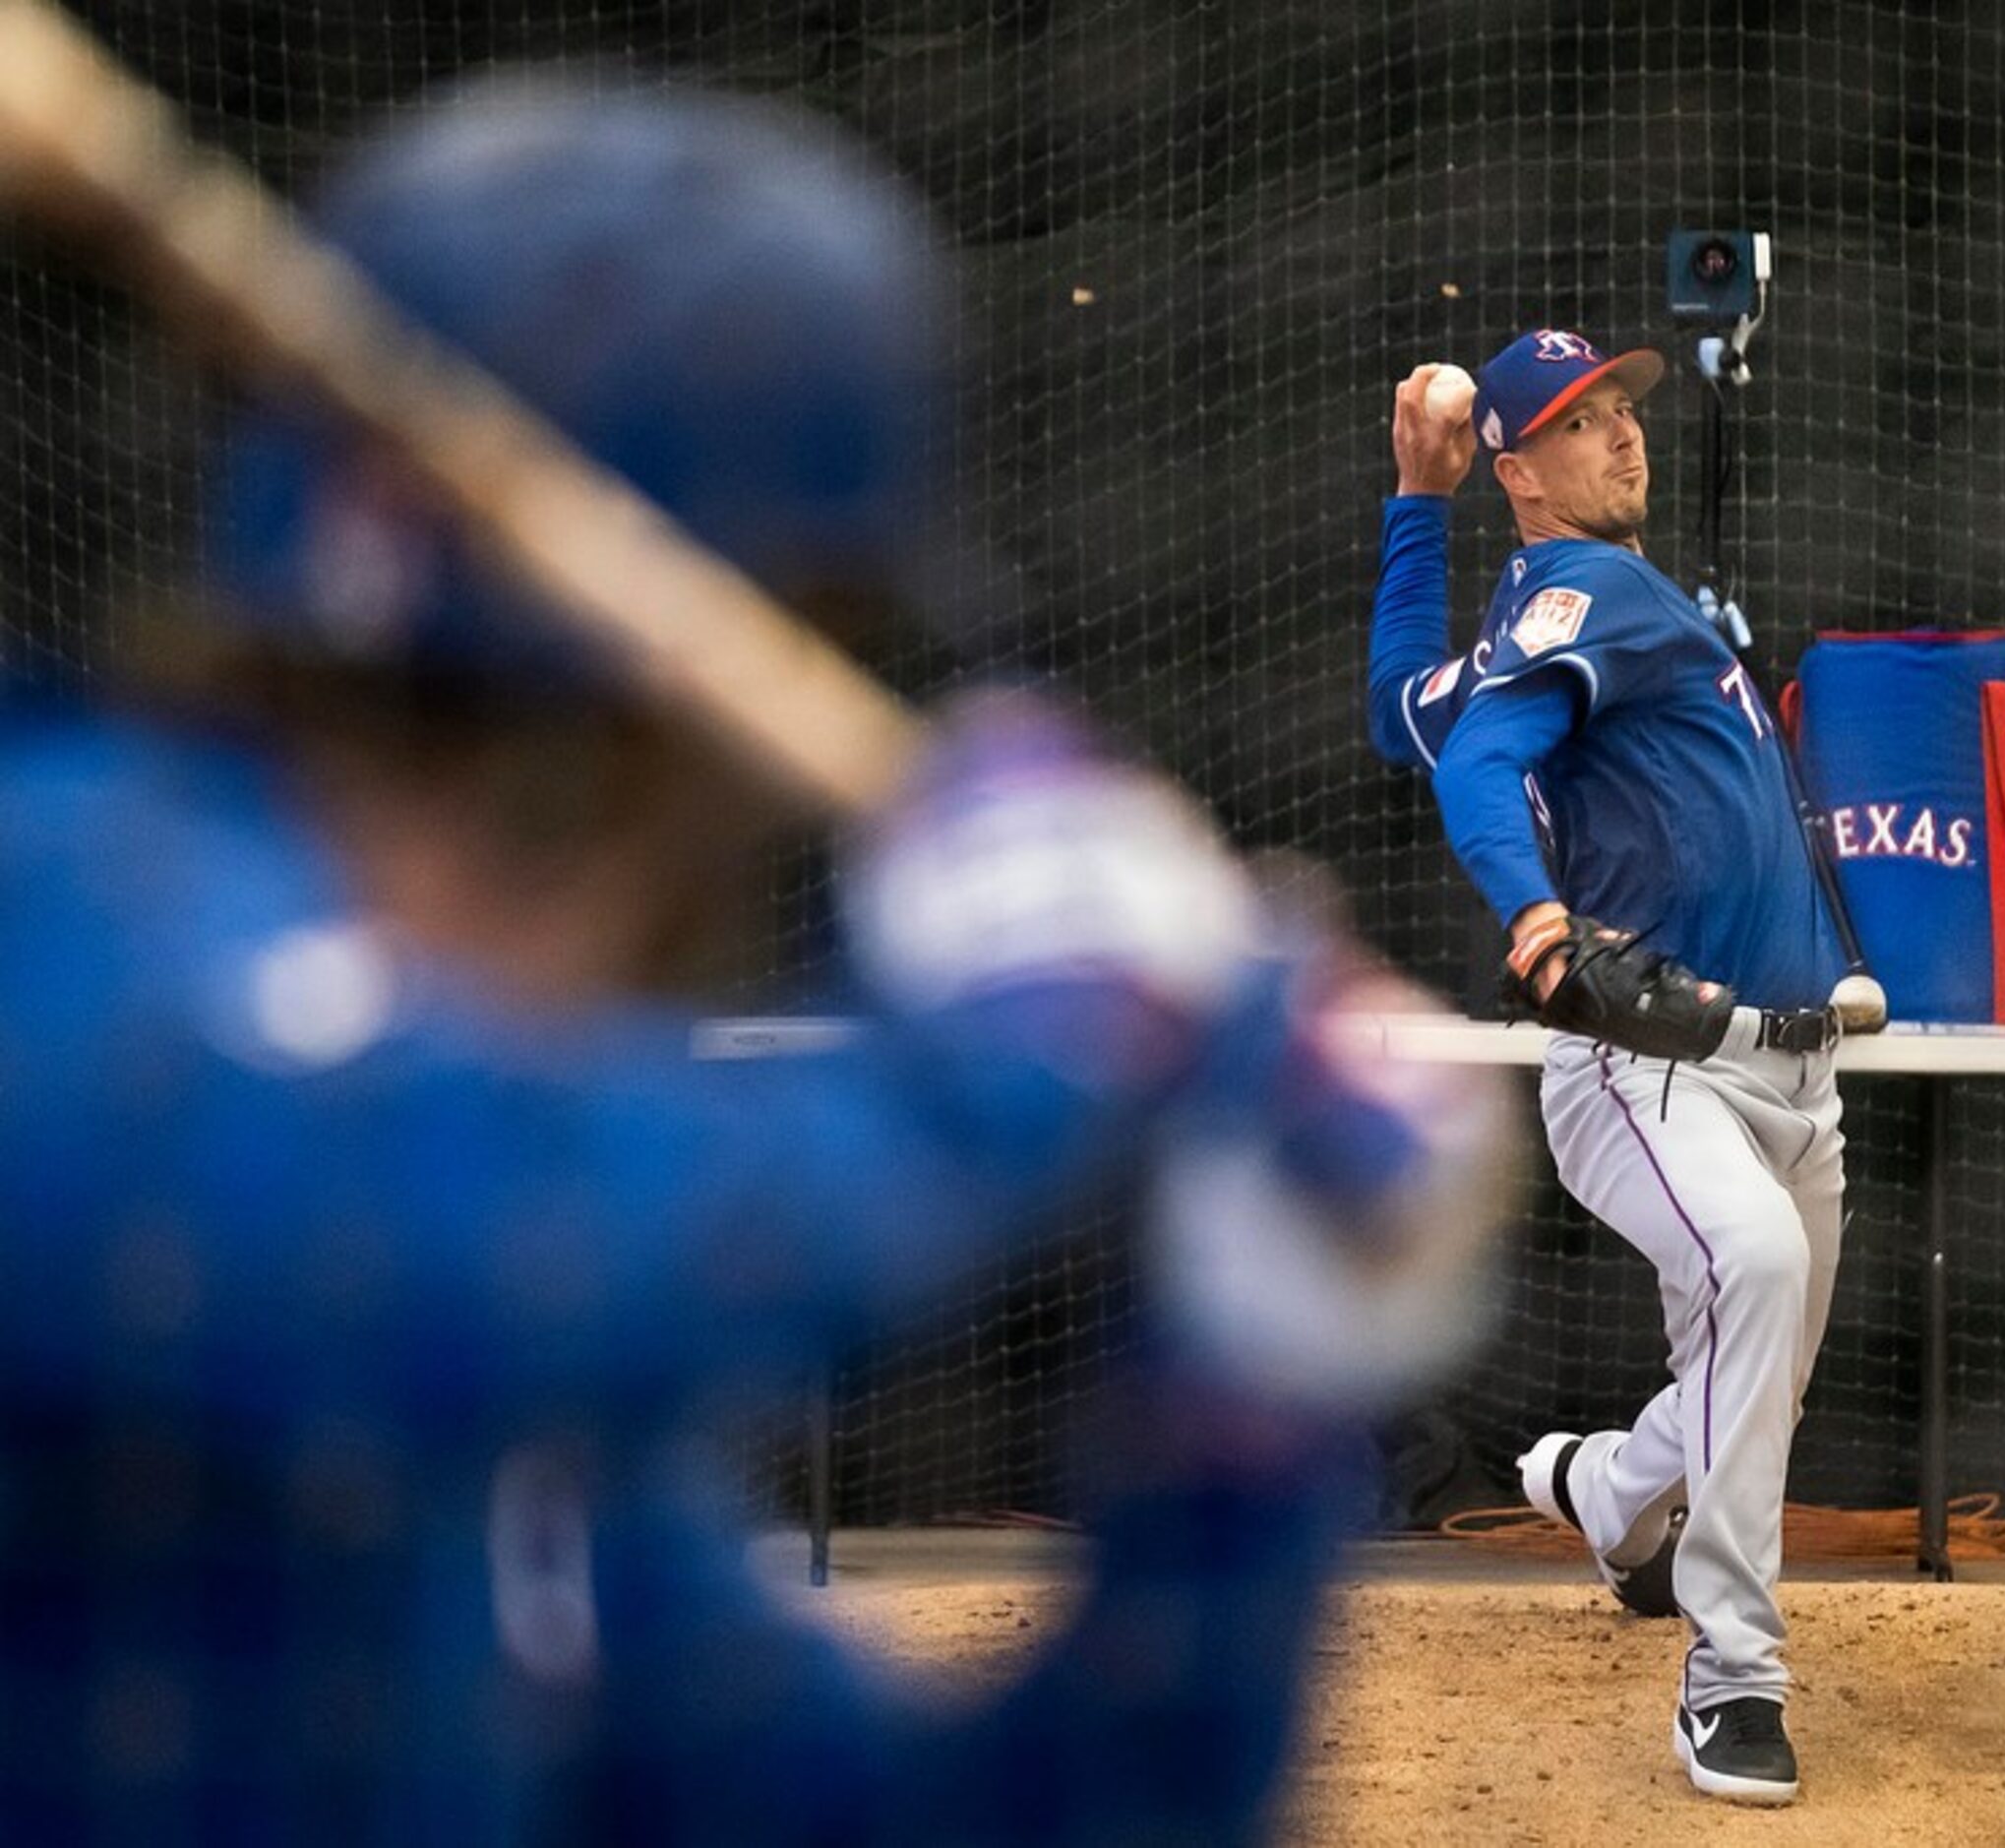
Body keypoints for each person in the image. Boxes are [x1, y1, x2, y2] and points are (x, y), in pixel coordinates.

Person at [0, 78, 1507, 1843]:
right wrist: (1025, 1046)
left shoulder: (537, 1365)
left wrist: (1242, 1433)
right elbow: (345, 1222)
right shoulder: (70, 904)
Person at [1362, 329, 1855, 1805]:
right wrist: (1536, 919)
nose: (1621, 434)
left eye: (1621, 408)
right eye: (1577, 423)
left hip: (1796, 1074)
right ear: (1520, 470)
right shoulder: (1590, 590)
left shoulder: (1585, 604)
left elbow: (1405, 712)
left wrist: (1409, 502)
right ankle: (1733, 1680)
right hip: (1654, 1069)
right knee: (1756, 1274)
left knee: (1751, 1379)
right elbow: (1467, 763)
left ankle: (1610, 1491)